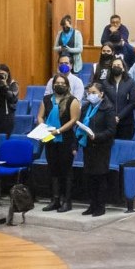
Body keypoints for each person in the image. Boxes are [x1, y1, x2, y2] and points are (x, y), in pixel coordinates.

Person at [37, 74, 81, 212]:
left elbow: (74, 120)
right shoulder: (46, 99)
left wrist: (59, 131)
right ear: (53, 85)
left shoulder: (72, 100)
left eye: (63, 83)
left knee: (66, 171)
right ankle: (55, 200)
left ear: (67, 86)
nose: (60, 85)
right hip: (49, 138)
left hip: (66, 139)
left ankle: (67, 201)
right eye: (57, 83)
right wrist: (43, 127)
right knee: (53, 170)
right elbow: (40, 116)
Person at [76, 83, 118, 216]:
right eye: (89, 93)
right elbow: (80, 124)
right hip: (88, 146)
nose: (91, 95)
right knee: (90, 177)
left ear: (101, 94)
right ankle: (92, 205)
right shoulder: (86, 107)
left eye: (94, 93)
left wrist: (97, 136)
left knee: (100, 177)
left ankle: (100, 206)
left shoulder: (108, 108)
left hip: (102, 147)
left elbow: (111, 130)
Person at [103, 58, 135, 140]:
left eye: (118, 65)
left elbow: (133, 102)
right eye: (114, 65)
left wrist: (119, 116)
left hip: (126, 122)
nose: (116, 67)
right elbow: (105, 101)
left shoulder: (130, 82)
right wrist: (112, 116)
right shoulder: (106, 83)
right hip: (109, 121)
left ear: (123, 68)